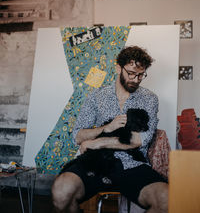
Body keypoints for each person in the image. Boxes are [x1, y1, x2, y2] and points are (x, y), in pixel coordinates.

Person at [52, 46, 168, 213]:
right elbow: (77, 136)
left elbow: (140, 140)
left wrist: (98, 143)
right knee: (61, 190)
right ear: (118, 68)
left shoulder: (149, 99)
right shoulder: (96, 96)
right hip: (96, 162)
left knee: (166, 198)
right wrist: (106, 128)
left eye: (141, 75)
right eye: (131, 73)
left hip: (132, 164)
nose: (136, 79)